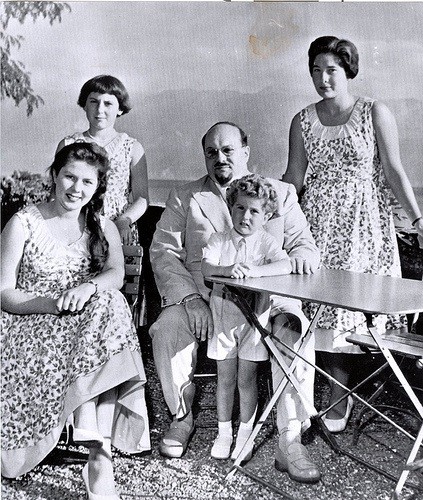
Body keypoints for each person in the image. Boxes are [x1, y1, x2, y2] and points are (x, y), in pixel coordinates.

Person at [150, 122, 321, 483]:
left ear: (246, 150)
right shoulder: (186, 197)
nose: (220, 158)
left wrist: (299, 259)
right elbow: (163, 253)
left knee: (295, 329)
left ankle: (290, 439)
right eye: (211, 152)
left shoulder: (281, 193)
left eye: (228, 149)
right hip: (207, 299)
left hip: (268, 302)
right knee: (167, 326)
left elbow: (304, 246)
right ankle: (182, 416)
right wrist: (192, 299)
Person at [283, 36, 423, 433]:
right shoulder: (302, 120)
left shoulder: (374, 112)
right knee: (318, 313)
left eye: (331, 70)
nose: (323, 79)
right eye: (316, 71)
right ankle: (324, 399)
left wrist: (417, 221)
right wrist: (261, 210)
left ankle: (339, 401)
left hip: (364, 228)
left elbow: (394, 171)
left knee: (350, 313)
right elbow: (294, 178)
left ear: (347, 71)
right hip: (317, 226)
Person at [1, 143, 150, 499]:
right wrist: (53, 303)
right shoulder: (24, 222)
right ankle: (98, 445)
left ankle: (98, 450)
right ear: (54, 176)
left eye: (87, 182)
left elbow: (115, 274)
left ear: (98, 187)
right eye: (69, 176)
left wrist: (87, 289)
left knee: (110, 302)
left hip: (83, 321)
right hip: (31, 319)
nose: (76, 188)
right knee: (103, 316)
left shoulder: (101, 225)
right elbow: (4, 292)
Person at [202, 174, 293, 461]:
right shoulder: (219, 240)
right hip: (223, 321)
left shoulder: (265, 242)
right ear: (231, 208)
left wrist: (255, 271)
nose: (246, 216)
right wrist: (229, 270)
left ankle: (245, 433)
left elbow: (286, 264)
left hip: (253, 324)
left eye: (254, 211)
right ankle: (224, 432)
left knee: (246, 380)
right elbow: (206, 269)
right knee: (225, 380)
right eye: (240, 208)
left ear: (266, 216)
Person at [57, 74, 149, 245]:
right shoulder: (68, 144)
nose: (100, 110)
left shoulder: (132, 148)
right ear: (84, 105)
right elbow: (56, 194)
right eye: (93, 101)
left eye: (108, 103)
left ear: (120, 109)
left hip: (119, 231)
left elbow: (142, 198)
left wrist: (124, 221)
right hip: (75, 230)